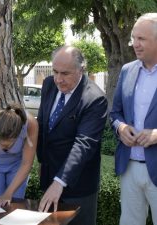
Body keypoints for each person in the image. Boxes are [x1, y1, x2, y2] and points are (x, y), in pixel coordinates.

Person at [37, 46, 108, 225]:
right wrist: (41, 160)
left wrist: (59, 182)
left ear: (81, 70)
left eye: (65, 73)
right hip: (48, 179)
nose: (58, 79)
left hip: (78, 187)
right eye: (55, 72)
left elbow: (84, 145)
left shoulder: (94, 99)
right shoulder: (48, 84)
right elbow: (43, 125)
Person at [110, 13, 157, 225]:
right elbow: (115, 113)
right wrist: (121, 128)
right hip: (128, 167)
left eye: (142, 39)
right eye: (134, 38)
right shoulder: (127, 70)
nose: (135, 44)